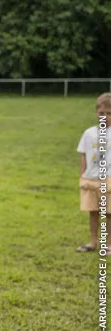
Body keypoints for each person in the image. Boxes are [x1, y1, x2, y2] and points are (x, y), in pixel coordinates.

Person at [75, 93, 111, 252]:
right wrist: (82, 176)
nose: (105, 116)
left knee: (109, 213)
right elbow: (83, 154)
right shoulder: (89, 133)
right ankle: (93, 242)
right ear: (96, 113)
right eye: (102, 113)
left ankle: (109, 244)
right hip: (91, 179)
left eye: (109, 113)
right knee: (93, 212)